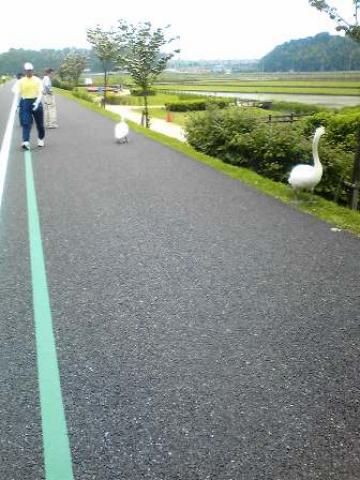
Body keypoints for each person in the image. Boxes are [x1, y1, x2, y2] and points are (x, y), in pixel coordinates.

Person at [16, 62, 45, 150]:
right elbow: (18, 93)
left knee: (39, 123)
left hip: (36, 101)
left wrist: (37, 103)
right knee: (26, 123)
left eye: (30, 70)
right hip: (25, 102)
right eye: (27, 71)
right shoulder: (21, 81)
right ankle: (26, 142)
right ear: (24, 71)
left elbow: (40, 92)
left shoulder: (37, 80)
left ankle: (41, 138)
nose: (29, 72)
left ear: (32, 70)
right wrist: (17, 105)